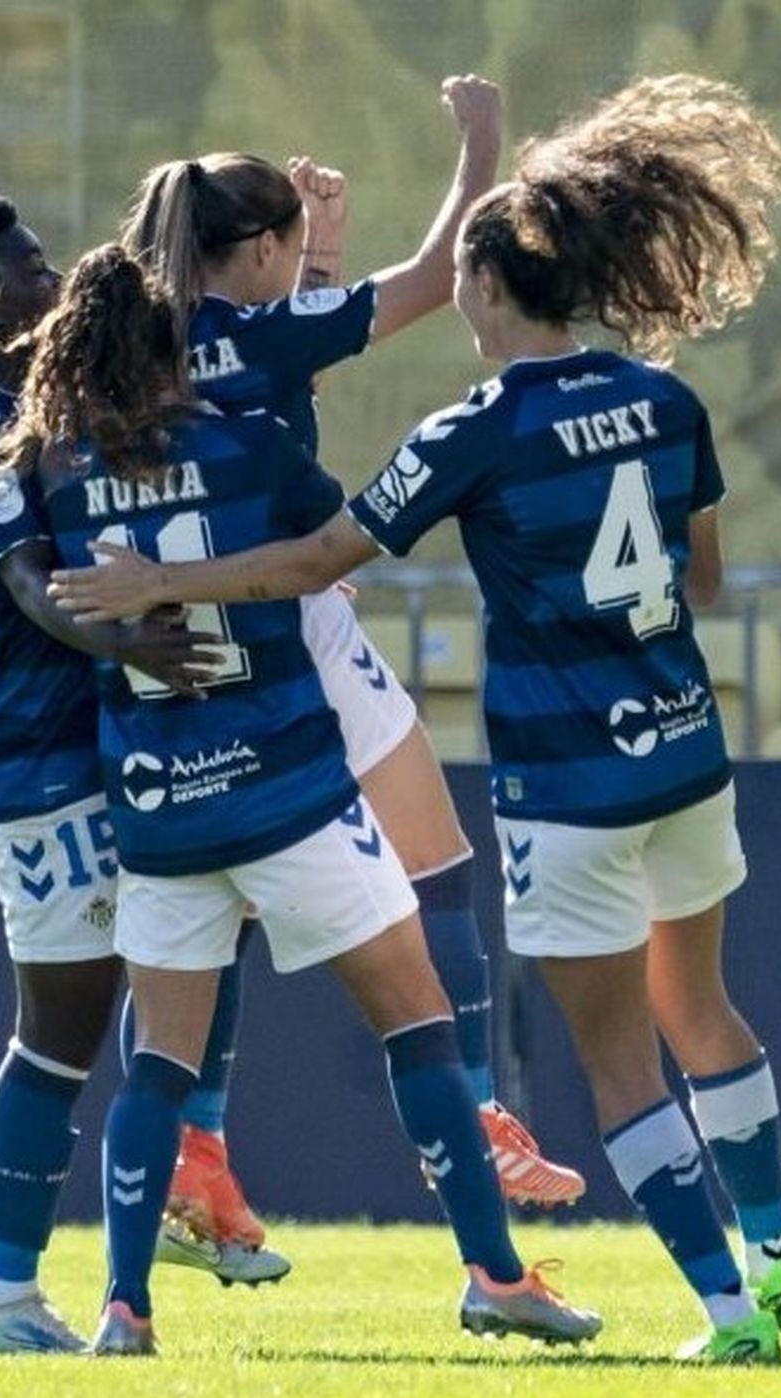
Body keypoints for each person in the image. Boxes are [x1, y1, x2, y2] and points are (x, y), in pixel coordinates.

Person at [49, 74, 781, 1364]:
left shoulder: (141, 382)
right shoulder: (663, 399)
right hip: (639, 741)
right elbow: (697, 577)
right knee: (599, 984)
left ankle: (151, 1255)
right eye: (291, 248)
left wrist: (144, 588)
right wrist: (471, 153)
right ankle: (710, 1252)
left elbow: (301, 501)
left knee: (194, 1017)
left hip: (219, 738)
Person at [3, 244, 602, 1357]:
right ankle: (495, 1275)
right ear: (171, 342)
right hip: (286, 789)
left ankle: (123, 1307)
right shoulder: (247, 444)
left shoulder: (58, 471)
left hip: (160, 811)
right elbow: (324, 556)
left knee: (157, 1071)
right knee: (419, 1026)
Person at [118, 74, 584, 1212]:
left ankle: (197, 1149)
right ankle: (477, 1110)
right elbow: (430, 283)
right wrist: (479, 149)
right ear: (260, 248)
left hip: (168, 632)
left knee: (202, 898)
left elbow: (267, 375)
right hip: (287, 612)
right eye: (289, 245)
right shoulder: (252, 333)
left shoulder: (138, 340)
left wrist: (311, 263)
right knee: (436, 865)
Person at [0, 193, 288, 1357]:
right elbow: (28, 585)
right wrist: (130, 640)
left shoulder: (75, 395)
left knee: (216, 928)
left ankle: (188, 1181)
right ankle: (2, 1291)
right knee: (62, 1027)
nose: (52, 270)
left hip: (126, 736)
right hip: (42, 757)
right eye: (25, 264)